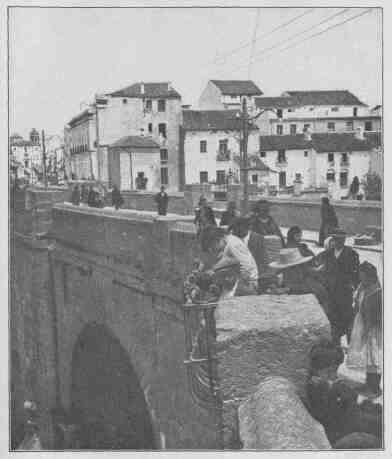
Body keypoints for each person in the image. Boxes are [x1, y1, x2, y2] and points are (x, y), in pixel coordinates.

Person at [347, 262, 382, 397]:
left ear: (370, 276)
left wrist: (367, 331)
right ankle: (369, 384)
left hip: (374, 328)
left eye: (363, 276)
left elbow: (376, 316)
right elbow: (358, 303)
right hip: (362, 323)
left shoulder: (377, 292)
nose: (361, 278)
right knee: (368, 357)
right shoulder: (363, 287)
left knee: (374, 357)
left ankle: (375, 389)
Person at [323, 228, 360, 345]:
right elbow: (325, 271)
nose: (339, 242)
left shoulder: (352, 254)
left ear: (344, 240)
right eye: (336, 239)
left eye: (341, 240)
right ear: (333, 240)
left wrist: (353, 286)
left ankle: (351, 345)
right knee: (333, 319)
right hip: (331, 292)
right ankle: (336, 344)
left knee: (347, 319)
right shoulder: (327, 254)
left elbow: (356, 274)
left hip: (345, 292)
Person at [199, 225, 258, 296]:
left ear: (218, 239)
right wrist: (214, 269)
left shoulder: (233, 244)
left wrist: (240, 283)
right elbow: (228, 260)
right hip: (242, 279)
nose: (213, 251)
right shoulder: (228, 241)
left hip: (249, 282)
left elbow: (247, 265)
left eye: (212, 247)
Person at [230, 217, 270, 285]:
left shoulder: (258, 239)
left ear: (248, 228)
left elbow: (263, 262)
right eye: (234, 230)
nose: (235, 232)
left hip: (255, 276)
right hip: (235, 277)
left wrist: (252, 276)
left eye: (240, 229)